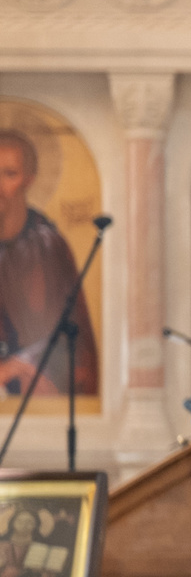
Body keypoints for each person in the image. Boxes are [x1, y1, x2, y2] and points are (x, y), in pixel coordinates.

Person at [0, 131, 97, 399]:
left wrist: (19, 365)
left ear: (28, 180)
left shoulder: (47, 246)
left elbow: (69, 333)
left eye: (9, 174)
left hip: (33, 391)